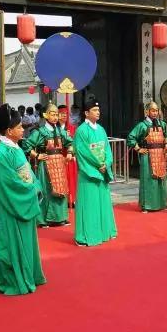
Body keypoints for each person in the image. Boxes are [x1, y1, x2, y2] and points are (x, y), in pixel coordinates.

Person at [0, 104, 46, 295]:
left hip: (24, 201)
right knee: (10, 246)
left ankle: (30, 274)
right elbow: (8, 184)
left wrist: (36, 186)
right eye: (19, 127)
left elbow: (27, 172)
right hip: (11, 206)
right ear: (9, 131)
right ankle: (13, 280)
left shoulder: (16, 148)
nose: (23, 130)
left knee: (27, 243)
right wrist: (31, 190)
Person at [74, 97, 117, 246]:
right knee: (89, 206)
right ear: (86, 113)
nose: (98, 112)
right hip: (90, 173)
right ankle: (85, 236)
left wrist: (107, 163)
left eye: (98, 110)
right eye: (94, 110)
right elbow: (83, 152)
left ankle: (105, 232)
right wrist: (99, 164)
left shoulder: (101, 129)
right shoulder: (81, 131)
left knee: (103, 204)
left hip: (102, 170)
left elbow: (107, 149)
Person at [22, 103, 73, 227]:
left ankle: (60, 217)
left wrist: (70, 153)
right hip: (45, 164)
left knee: (60, 189)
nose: (55, 117)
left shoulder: (60, 131)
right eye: (53, 114)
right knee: (46, 190)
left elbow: (70, 142)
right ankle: (43, 219)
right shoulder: (40, 132)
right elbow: (27, 145)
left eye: (57, 114)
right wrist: (37, 155)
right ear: (45, 115)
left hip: (59, 163)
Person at [127, 102, 167, 213]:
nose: (155, 113)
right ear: (147, 112)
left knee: (161, 179)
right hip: (147, 156)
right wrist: (138, 149)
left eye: (156, 110)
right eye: (153, 110)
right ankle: (146, 205)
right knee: (148, 180)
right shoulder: (142, 125)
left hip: (160, 155)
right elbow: (131, 137)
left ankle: (161, 203)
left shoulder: (162, 124)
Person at [60, 104, 80, 209]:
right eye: (62, 113)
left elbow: (76, 143)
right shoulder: (55, 129)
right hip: (60, 158)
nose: (64, 115)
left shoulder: (72, 128)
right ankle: (63, 199)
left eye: (66, 113)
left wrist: (73, 153)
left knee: (72, 179)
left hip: (70, 158)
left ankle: (72, 199)